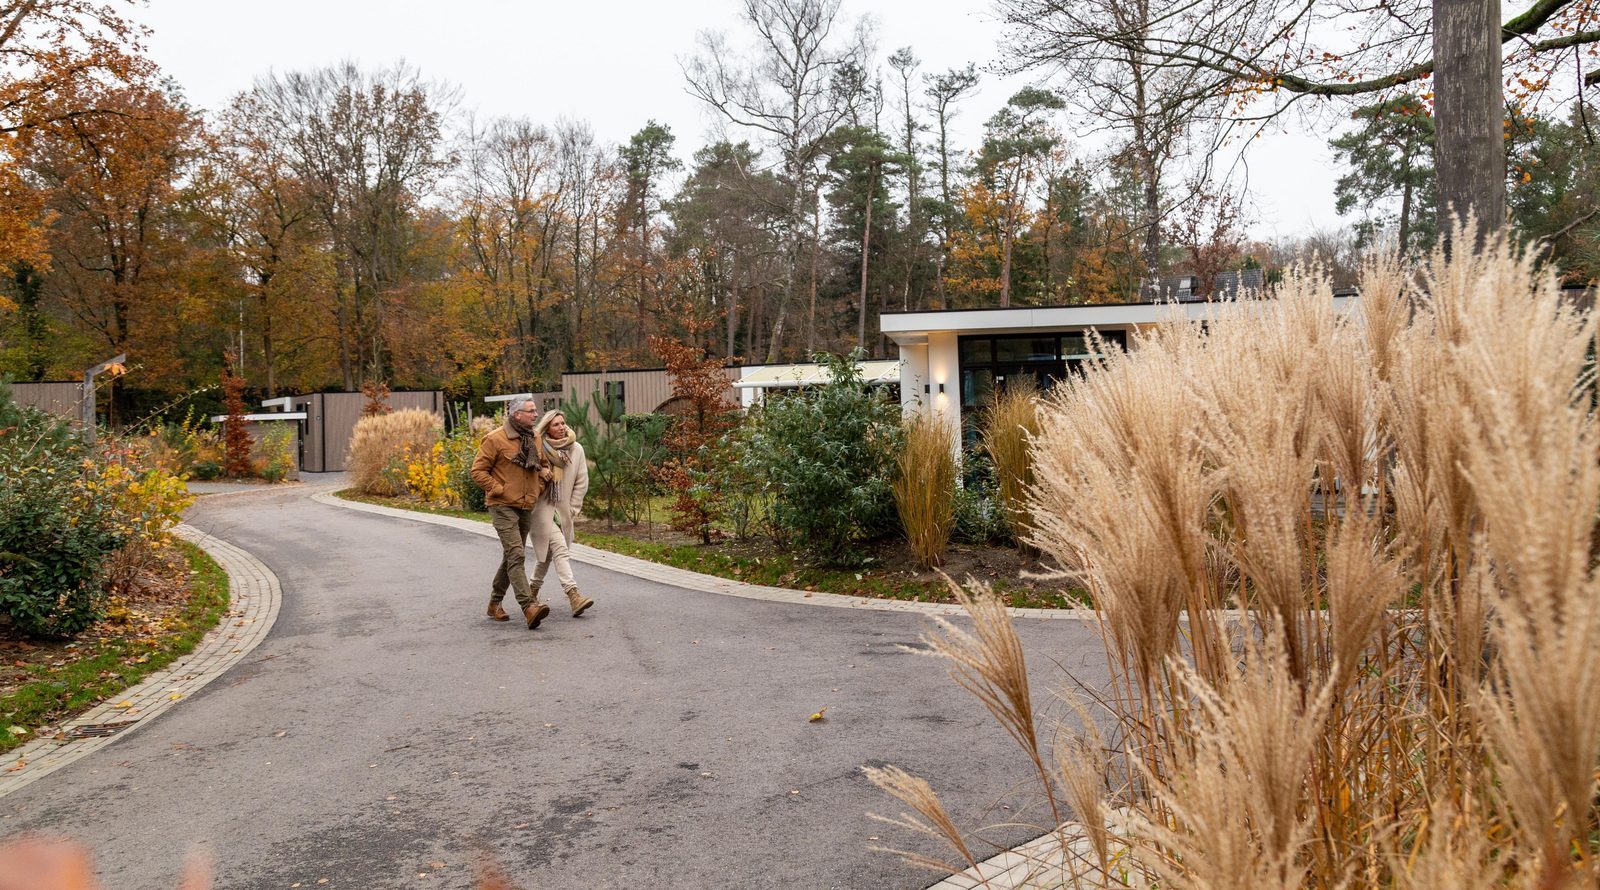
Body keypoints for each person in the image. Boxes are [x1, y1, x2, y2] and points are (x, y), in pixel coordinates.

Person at [469, 396, 551, 629]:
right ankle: (529, 606)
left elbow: (543, 465)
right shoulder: (495, 439)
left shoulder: (534, 437)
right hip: (502, 506)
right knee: (516, 554)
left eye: (536, 411)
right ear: (517, 415)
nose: (536, 415)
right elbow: (477, 471)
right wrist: (499, 489)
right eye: (531, 411)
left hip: (526, 505)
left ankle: (495, 603)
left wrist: (539, 487)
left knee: (510, 556)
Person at [528, 409, 593, 617]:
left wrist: (573, 509)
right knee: (560, 549)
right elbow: (527, 471)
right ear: (547, 428)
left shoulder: (576, 449)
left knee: (546, 556)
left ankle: (530, 593)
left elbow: (582, 482)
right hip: (541, 510)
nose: (561, 427)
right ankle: (574, 595)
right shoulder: (537, 448)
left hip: (563, 511)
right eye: (556, 424)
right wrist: (540, 471)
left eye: (563, 423)